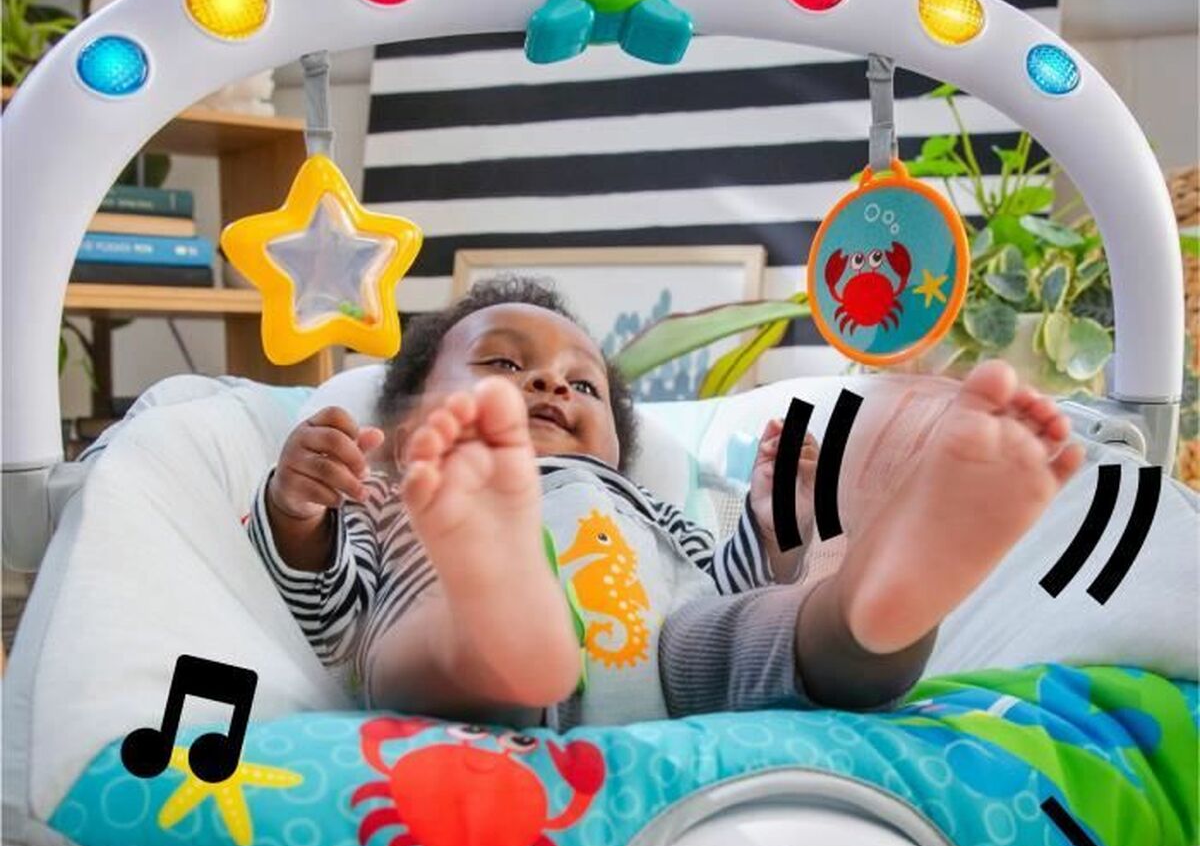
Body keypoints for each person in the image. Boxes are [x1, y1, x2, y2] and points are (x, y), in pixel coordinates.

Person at [248, 278, 1083, 731]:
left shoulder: (646, 505)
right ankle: (494, 625)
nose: (551, 383)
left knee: (760, 631)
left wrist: (772, 528)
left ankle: (871, 604)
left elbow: (717, 588)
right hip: (454, 636)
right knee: (419, 645)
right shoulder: (396, 493)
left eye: (583, 385)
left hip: (667, 661)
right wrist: (298, 504)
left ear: (616, 443)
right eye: (504, 365)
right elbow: (326, 605)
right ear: (403, 434)